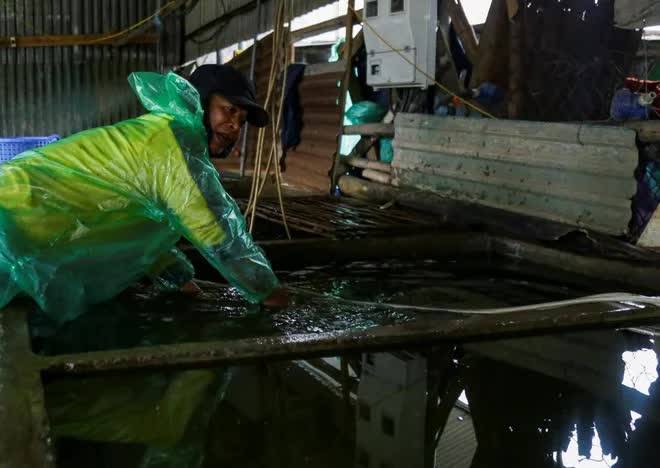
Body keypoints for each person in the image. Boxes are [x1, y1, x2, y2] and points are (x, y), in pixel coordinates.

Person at [0, 64, 286, 324]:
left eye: (242, 119)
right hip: (13, 213)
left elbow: (137, 226)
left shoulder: (163, 134)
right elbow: (220, 236)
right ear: (202, 99)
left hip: (17, 218)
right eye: (230, 110)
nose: (236, 126)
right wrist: (268, 292)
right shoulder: (172, 146)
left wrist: (178, 278)